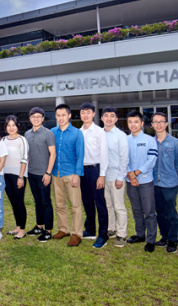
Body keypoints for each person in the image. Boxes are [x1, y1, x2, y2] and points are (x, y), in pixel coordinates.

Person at [51, 104, 85, 247]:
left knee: (75, 206)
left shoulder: (77, 133)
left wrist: (77, 174)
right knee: (59, 204)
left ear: (69, 116)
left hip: (71, 173)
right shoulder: (52, 132)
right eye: (58, 115)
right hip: (56, 173)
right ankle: (63, 229)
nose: (61, 118)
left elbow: (80, 155)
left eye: (63, 115)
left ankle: (76, 234)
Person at [126, 110, 158, 252]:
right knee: (137, 210)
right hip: (130, 181)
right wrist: (130, 176)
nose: (133, 125)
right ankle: (140, 235)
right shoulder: (125, 140)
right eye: (130, 122)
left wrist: (135, 173)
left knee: (149, 211)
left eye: (136, 122)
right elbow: (122, 159)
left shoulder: (150, 140)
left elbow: (151, 161)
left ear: (142, 123)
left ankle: (151, 240)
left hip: (145, 181)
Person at [79, 102, 109, 248]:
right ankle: (90, 230)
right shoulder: (79, 132)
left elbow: (104, 154)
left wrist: (102, 175)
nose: (85, 115)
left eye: (88, 112)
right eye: (83, 112)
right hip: (82, 171)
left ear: (93, 114)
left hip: (96, 170)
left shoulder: (99, 132)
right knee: (87, 202)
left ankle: (103, 234)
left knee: (100, 203)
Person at [152, 112, 178, 253]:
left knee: (171, 212)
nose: (158, 124)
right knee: (160, 212)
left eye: (161, 121)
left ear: (166, 124)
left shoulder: (176, 143)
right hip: (154, 183)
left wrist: (176, 179)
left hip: (170, 183)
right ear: (152, 125)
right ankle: (164, 237)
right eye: (155, 122)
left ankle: (173, 240)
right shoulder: (150, 142)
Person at [24, 107, 56, 242]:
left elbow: (53, 154)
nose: (36, 119)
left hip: (44, 174)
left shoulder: (48, 133)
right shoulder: (27, 134)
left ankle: (48, 231)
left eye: (39, 116)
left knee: (46, 202)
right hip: (31, 173)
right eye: (33, 116)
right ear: (30, 118)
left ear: (43, 118)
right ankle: (39, 226)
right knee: (37, 201)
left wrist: (48, 173)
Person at [101, 107, 129, 248]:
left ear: (116, 119)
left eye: (112, 116)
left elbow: (124, 157)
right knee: (107, 205)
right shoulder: (99, 133)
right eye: (106, 116)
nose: (109, 118)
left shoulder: (120, 135)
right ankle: (110, 229)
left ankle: (122, 234)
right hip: (102, 176)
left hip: (116, 176)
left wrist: (120, 176)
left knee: (119, 206)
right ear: (101, 118)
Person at [2, 115, 29, 240]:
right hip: (5, 175)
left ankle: (22, 229)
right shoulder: (2, 140)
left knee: (19, 202)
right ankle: (18, 227)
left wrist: (21, 177)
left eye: (13, 125)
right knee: (13, 203)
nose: (11, 128)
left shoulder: (22, 140)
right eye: (9, 125)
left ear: (18, 126)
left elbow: (24, 159)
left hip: (18, 175)